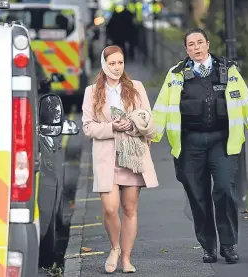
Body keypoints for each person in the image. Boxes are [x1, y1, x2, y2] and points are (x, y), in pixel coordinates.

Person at [151, 28, 248, 264]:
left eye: (200, 42)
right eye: (191, 44)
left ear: (208, 44)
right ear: (186, 49)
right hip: (190, 144)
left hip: (222, 141)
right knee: (198, 196)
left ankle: (228, 245)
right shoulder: (176, 74)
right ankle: (208, 246)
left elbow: (246, 103)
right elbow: (161, 108)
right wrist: (150, 136)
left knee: (224, 190)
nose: (196, 47)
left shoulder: (228, 70)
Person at [82, 45, 158, 273]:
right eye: (112, 63)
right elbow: (87, 127)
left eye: (120, 63)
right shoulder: (92, 91)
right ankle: (114, 247)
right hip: (107, 157)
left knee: (130, 209)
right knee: (109, 208)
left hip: (133, 155)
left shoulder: (136, 88)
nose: (116, 68)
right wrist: (111, 127)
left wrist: (133, 124)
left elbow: (148, 119)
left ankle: (126, 258)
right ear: (104, 65)